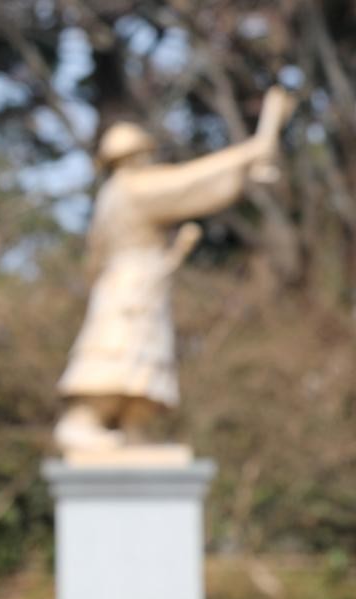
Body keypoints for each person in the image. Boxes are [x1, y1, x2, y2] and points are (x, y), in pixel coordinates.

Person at [54, 87, 295, 455]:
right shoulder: (134, 189)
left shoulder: (111, 195)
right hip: (131, 284)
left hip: (133, 280)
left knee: (141, 356)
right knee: (118, 350)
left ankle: (134, 426)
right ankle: (84, 420)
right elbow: (190, 182)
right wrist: (251, 150)